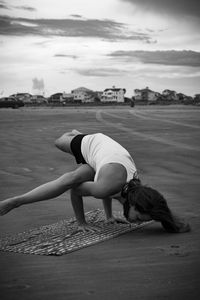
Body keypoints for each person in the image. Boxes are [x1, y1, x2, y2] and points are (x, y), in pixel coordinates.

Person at [0, 130, 190, 233]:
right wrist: (81, 222)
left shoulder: (133, 189)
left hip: (104, 161)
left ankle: (16, 201)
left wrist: (108, 216)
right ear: (135, 203)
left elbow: (108, 189)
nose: (135, 222)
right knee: (65, 163)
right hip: (92, 144)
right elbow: (78, 191)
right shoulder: (110, 187)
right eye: (139, 218)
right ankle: (15, 201)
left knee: (83, 179)